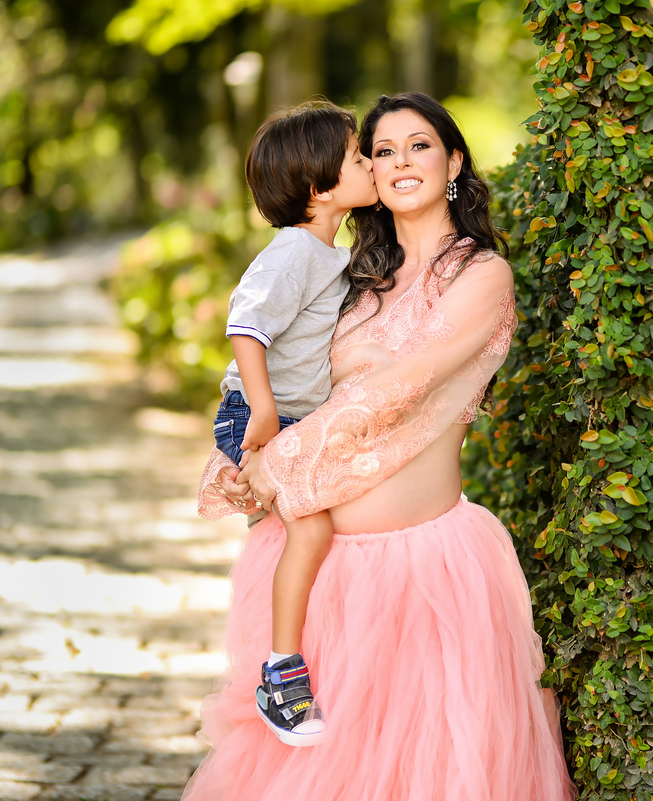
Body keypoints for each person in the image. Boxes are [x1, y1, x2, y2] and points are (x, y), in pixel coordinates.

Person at [187, 92, 574, 801]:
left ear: (454, 160)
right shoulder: (350, 278)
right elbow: (288, 373)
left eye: (418, 145)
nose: (398, 162)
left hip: (427, 575)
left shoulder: (481, 275)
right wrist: (240, 452)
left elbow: (393, 394)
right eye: (382, 150)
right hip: (322, 571)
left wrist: (278, 465)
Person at [211, 100, 377, 747]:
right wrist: (262, 407)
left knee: (302, 533)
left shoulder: (328, 250)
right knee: (307, 532)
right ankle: (281, 674)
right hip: (260, 415)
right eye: (360, 157)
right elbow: (244, 326)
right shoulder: (292, 253)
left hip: (298, 420)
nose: (371, 166)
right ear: (319, 188)